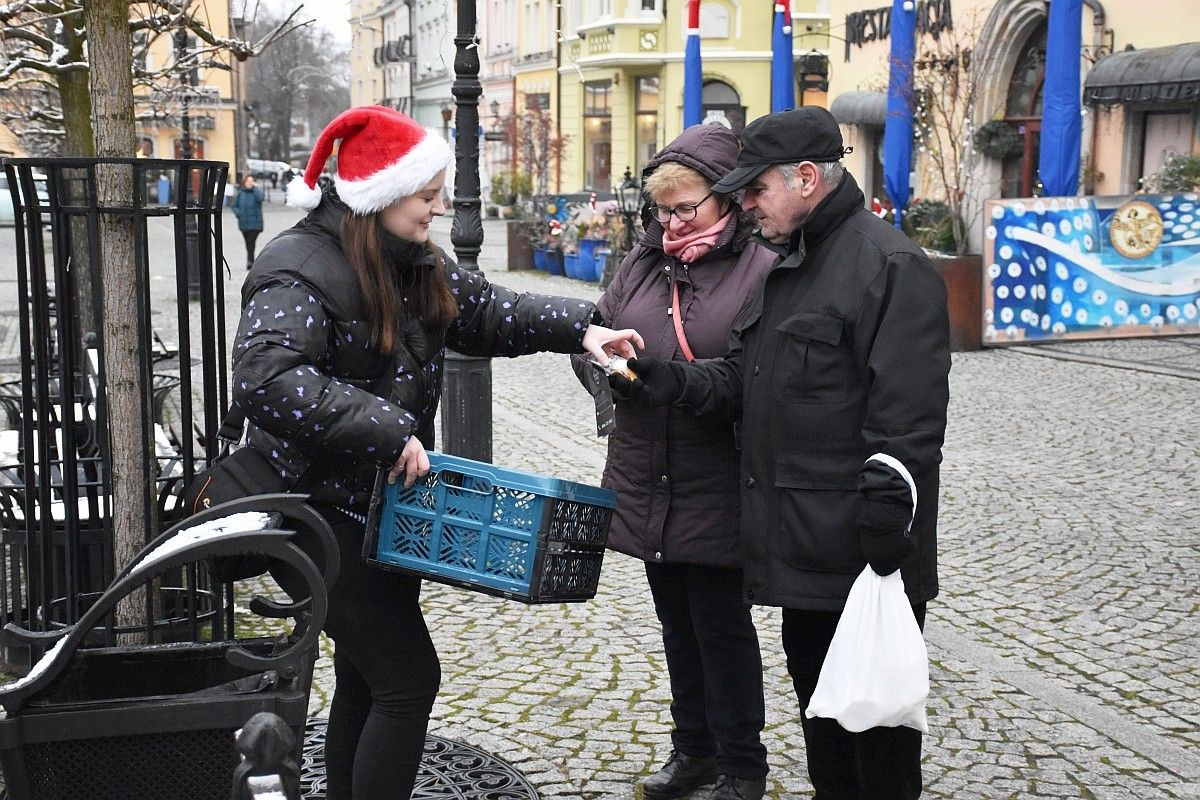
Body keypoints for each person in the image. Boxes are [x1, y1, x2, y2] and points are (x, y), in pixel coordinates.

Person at [232, 105, 643, 800]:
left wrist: (585, 329)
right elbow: (267, 379)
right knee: (407, 679)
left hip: (380, 508)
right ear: (383, 194)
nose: (438, 208)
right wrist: (387, 428)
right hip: (312, 510)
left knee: (369, 677)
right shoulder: (297, 266)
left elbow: (489, 312)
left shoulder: (412, 260)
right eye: (427, 196)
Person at [610, 106, 951, 800]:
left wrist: (887, 536)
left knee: (878, 747)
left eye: (755, 189)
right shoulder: (791, 264)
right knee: (825, 732)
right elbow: (745, 380)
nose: (745, 205)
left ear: (804, 179)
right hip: (801, 552)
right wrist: (666, 380)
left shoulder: (889, 266)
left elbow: (909, 421)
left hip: (864, 558)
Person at [572, 123, 778, 800]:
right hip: (648, 471)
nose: (670, 222)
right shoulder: (641, 262)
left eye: (685, 207)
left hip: (719, 474)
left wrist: (674, 379)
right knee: (676, 624)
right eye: (662, 209)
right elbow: (595, 331)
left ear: (725, 200)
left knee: (720, 627)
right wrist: (605, 364)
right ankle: (692, 750)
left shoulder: (762, 269)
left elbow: (760, 378)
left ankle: (742, 766)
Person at [231, 174, 265, 267]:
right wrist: (238, 213)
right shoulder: (240, 193)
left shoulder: (256, 192)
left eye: (251, 181)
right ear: (244, 182)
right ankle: (251, 260)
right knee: (248, 243)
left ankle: (250, 261)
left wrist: (256, 188)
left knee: (251, 242)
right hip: (243, 223)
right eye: (248, 181)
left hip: (255, 223)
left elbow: (261, 198)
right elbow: (234, 205)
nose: (249, 183)